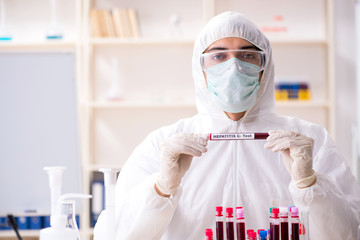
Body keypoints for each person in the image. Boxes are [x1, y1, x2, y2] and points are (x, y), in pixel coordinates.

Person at [94, 11, 360, 239]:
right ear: (201, 70)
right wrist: (162, 188)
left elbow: (348, 234)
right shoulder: (162, 145)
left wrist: (310, 183)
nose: (234, 67)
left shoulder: (310, 141)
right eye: (219, 56)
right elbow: (122, 233)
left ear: (264, 67)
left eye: (247, 56)